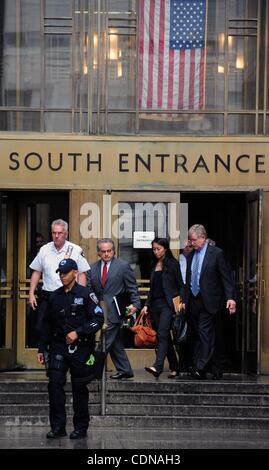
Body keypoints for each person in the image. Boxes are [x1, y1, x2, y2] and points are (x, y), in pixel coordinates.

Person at [37, 258, 104, 439]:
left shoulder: (85, 294)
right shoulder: (54, 296)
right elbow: (46, 325)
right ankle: (58, 427)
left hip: (81, 348)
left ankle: (81, 427)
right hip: (59, 347)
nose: (62, 276)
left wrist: (79, 332)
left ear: (75, 273)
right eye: (60, 273)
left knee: (79, 388)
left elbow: (98, 319)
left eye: (66, 272)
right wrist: (42, 349)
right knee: (55, 384)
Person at [185, 224, 236, 380]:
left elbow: (225, 277)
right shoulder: (190, 255)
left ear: (203, 238)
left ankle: (200, 367)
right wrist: (184, 300)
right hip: (194, 300)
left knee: (205, 332)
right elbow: (188, 280)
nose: (191, 243)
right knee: (202, 335)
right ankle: (215, 368)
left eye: (193, 240)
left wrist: (230, 297)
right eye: (189, 240)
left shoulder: (216, 253)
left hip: (210, 301)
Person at [89, 238, 141, 380]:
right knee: (115, 342)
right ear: (99, 253)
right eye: (103, 251)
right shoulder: (92, 268)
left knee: (104, 341)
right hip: (99, 311)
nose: (106, 254)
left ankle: (93, 371)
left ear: (114, 251)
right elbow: (89, 289)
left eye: (109, 251)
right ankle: (125, 370)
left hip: (115, 311)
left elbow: (132, 287)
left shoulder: (123, 266)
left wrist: (136, 304)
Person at [28, 219, 90, 335]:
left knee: (66, 329)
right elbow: (37, 272)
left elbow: (82, 273)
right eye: (54, 233)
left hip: (69, 296)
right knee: (44, 329)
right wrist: (31, 293)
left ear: (66, 234)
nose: (56, 236)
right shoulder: (44, 249)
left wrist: (80, 294)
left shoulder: (75, 250)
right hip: (49, 296)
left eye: (60, 233)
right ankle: (45, 352)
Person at [143, 238, 185, 379]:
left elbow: (181, 285)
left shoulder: (173, 264)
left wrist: (181, 302)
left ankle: (158, 366)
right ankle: (175, 367)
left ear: (165, 248)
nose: (156, 252)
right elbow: (152, 289)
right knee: (165, 336)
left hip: (168, 305)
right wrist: (147, 305)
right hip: (155, 306)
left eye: (158, 249)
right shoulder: (154, 265)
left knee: (162, 334)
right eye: (154, 249)